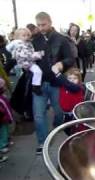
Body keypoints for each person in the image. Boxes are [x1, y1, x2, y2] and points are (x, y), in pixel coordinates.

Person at [32, 12, 74, 154]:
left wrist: (62, 64)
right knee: (38, 115)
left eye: (43, 24)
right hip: (39, 83)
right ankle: (42, 142)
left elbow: (71, 59)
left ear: (50, 22)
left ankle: (56, 129)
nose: (41, 27)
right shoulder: (34, 39)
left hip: (56, 83)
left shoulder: (61, 39)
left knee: (59, 112)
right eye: (38, 25)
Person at [6, 28, 44, 95]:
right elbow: (27, 55)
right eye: (23, 35)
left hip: (26, 62)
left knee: (37, 71)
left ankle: (36, 86)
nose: (26, 37)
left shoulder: (26, 43)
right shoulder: (19, 45)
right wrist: (40, 54)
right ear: (18, 37)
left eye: (27, 35)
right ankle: (36, 86)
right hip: (26, 63)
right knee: (38, 71)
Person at [52, 67, 84, 135]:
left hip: (74, 115)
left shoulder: (78, 88)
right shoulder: (64, 86)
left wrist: (58, 74)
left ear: (79, 79)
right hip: (65, 113)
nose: (72, 80)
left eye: (75, 78)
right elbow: (57, 81)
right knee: (66, 130)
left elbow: (70, 86)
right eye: (69, 78)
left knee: (73, 131)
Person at [0, 78, 13, 158]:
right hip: (3, 118)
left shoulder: (2, 98)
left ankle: (6, 141)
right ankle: (2, 146)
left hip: (4, 118)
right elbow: (6, 109)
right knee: (3, 131)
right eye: (3, 87)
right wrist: (10, 118)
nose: (5, 88)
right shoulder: (1, 100)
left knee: (5, 130)